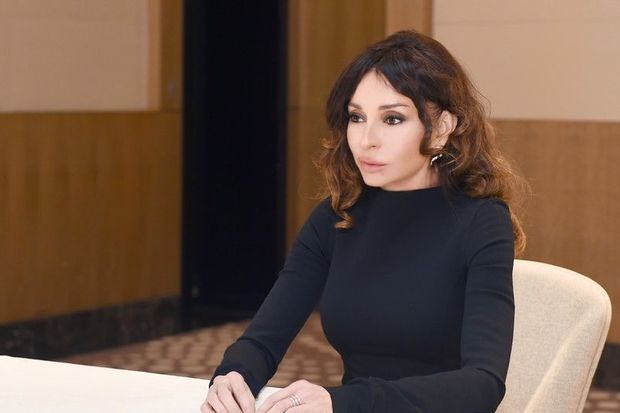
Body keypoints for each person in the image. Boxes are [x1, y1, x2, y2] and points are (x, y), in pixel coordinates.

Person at [201, 29, 526, 413]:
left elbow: (482, 384)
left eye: (392, 119)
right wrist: (234, 375)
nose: (366, 139)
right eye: (357, 117)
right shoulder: (338, 215)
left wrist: (342, 402)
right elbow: (264, 338)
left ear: (441, 128)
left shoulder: (482, 221)